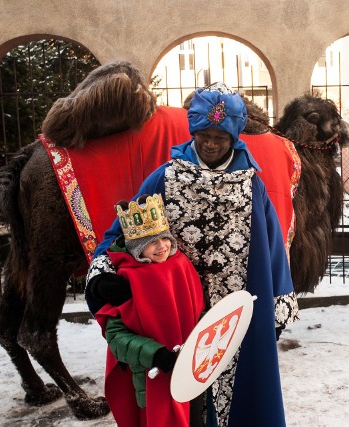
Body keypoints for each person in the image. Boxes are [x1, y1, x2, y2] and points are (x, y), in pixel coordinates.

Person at [86, 82, 297, 426]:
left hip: (237, 315)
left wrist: (276, 307)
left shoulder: (251, 184)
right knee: (187, 401)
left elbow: (272, 246)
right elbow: (122, 233)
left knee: (243, 397)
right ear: (194, 132)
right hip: (177, 309)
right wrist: (104, 277)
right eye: (205, 136)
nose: (212, 144)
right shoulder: (164, 179)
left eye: (221, 137)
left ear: (235, 139)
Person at [93, 194, 204, 426]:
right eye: (151, 242)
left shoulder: (181, 266)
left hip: (189, 372)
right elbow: (116, 336)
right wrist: (154, 354)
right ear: (136, 247)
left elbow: (198, 312)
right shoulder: (124, 280)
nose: (161, 246)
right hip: (152, 377)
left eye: (164, 238)